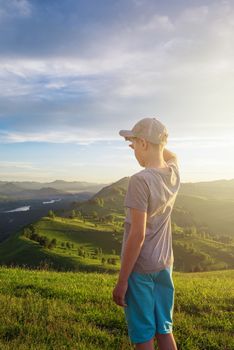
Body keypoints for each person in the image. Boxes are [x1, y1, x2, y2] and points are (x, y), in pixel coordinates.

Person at [112, 117, 180, 350]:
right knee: (164, 329)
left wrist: (122, 281)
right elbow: (171, 156)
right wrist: (158, 143)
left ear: (143, 143)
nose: (133, 152)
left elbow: (137, 235)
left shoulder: (139, 181)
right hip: (164, 265)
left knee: (143, 335)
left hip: (140, 270)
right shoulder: (172, 172)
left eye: (133, 145)